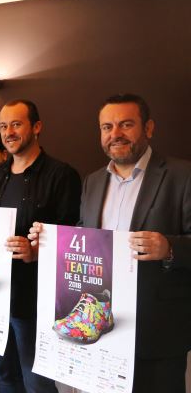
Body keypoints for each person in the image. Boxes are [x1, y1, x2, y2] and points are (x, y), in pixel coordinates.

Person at [29, 93, 191, 393]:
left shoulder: (182, 175)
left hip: (155, 330)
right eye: (106, 127)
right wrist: (50, 244)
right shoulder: (92, 181)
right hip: (100, 328)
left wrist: (169, 248)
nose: (115, 134)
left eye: (126, 124)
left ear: (149, 128)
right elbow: (85, 235)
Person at [0, 99, 81, 393]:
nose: (8, 132)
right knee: (4, 375)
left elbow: (74, 239)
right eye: (3, 126)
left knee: (36, 380)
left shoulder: (62, 175)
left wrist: (37, 252)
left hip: (33, 299)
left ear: (36, 127)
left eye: (16, 124)